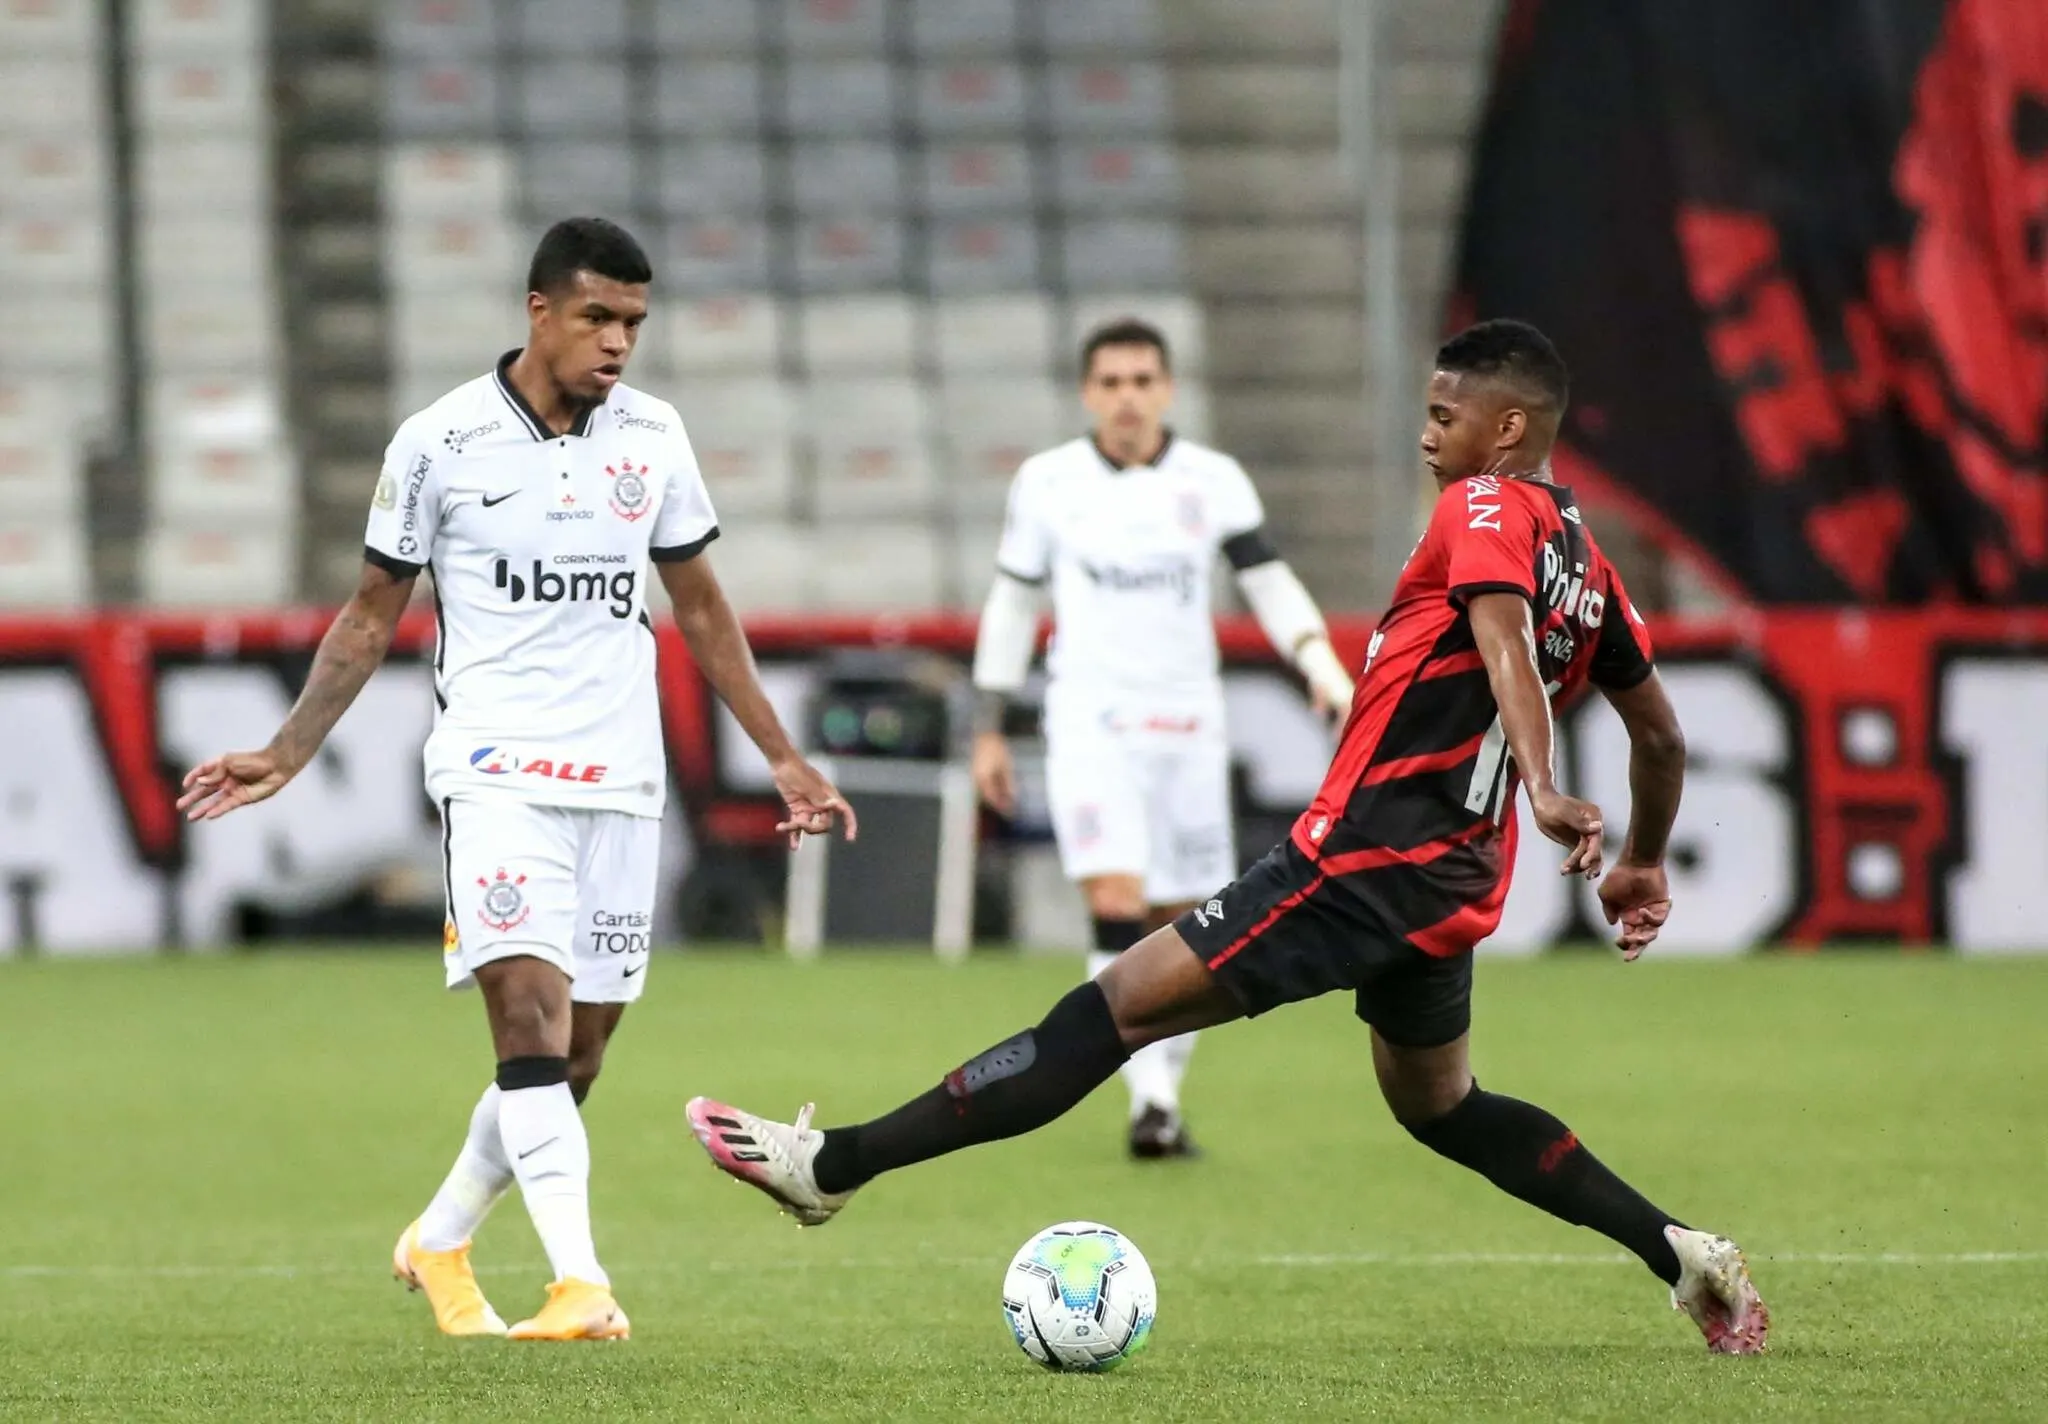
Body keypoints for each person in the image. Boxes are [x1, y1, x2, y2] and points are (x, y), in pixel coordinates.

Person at [684, 319, 1769, 1354]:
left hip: (1357, 861)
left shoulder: (1482, 507)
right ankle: (1675, 1248)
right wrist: (1639, 858)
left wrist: (1541, 783)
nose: (1427, 430)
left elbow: (1501, 648)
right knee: (1442, 1104)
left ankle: (831, 1163)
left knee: (1107, 1009)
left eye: (1447, 412)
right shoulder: (1587, 561)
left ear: (1508, 433)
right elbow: (1660, 735)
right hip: (1447, 885)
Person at [178, 217, 855, 1342]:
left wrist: (781, 756)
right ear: (537, 310)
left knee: (576, 1053)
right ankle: (579, 1280)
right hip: (496, 773)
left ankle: (439, 1237)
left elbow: (697, 604)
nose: (618, 343)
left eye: (634, 322)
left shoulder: (653, 436)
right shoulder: (437, 443)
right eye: (598, 317)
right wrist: (288, 749)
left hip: (621, 782)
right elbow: (368, 615)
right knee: (528, 1020)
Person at [968, 317, 1354, 1159]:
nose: (1127, 398)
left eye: (1143, 381)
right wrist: (988, 724)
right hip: (1090, 720)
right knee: (1115, 901)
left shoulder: (1212, 481)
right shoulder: (1048, 482)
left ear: (1168, 389)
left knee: (1184, 924)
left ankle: (1164, 1097)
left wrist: (1321, 664)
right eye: (1110, 383)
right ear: (1087, 393)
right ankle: (1146, 1103)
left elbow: (1268, 580)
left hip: (1188, 723)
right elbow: (1012, 603)